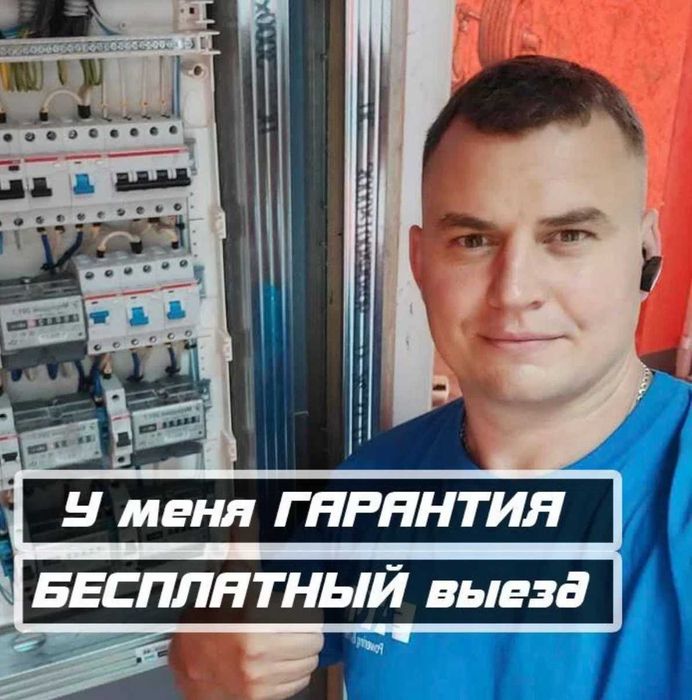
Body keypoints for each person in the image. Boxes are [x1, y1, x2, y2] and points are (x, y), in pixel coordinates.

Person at [169, 55, 691, 699]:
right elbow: (235, 638)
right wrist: (205, 654)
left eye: (569, 235)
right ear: (420, 262)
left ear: (646, 251)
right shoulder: (373, 483)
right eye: (473, 240)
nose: (514, 290)